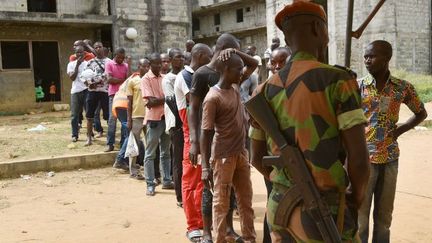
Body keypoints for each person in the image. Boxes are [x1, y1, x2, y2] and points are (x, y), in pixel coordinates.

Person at [249, 1, 370, 242]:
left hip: (280, 209)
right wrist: (355, 198)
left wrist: (287, 181)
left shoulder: (262, 91)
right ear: (318, 28)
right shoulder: (337, 80)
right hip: (326, 210)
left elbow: (255, 157)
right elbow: (358, 158)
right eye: (325, 30)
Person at [189, 33, 258, 243]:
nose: (242, 73)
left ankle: (249, 238)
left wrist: (236, 52)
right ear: (227, 70)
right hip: (222, 157)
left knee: (245, 201)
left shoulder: (235, 87)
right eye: (238, 69)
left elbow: (253, 64)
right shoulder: (213, 97)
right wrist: (206, 167)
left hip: (240, 154)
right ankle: (217, 238)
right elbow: (206, 131)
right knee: (221, 203)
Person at [358, 40, 427, 243]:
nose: (367, 60)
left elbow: (421, 113)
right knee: (360, 218)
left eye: (371, 56)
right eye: (365, 56)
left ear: (386, 58)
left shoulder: (402, 88)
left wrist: (400, 131)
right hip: (363, 160)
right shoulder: (357, 86)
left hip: (389, 158)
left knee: (384, 217)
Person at [174, 43, 212, 242]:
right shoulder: (185, 77)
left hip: (203, 133)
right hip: (193, 135)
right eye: (209, 56)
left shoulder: (202, 75)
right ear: (200, 55)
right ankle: (192, 224)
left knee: (202, 181)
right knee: (190, 181)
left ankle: (202, 220)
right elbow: (194, 107)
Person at [141, 53, 174, 196]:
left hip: (166, 118)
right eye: (156, 63)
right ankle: (150, 183)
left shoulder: (165, 78)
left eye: (160, 63)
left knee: (166, 152)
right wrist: (166, 98)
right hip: (154, 120)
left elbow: (158, 100)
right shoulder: (145, 79)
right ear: (150, 65)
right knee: (150, 153)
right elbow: (150, 102)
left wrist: (161, 100)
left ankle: (166, 180)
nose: (159, 66)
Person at [113, 58, 150, 179]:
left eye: (148, 66)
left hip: (150, 117)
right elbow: (129, 102)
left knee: (149, 144)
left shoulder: (151, 80)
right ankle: (133, 171)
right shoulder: (133, 81)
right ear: (139, 67)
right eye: (144, 66)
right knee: (133, 144)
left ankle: (150, 171)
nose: (147, 68)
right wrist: (129, 119)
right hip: (136, 116)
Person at [162, 48, 185, 206]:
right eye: (177, 57)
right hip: (177, 123)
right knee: (178, 160)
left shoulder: (184, 75)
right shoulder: (168, 79)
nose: (181, 59)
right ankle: (180, 196)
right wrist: (184, 121)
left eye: (182, 57)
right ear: (170, 60)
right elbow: (172, 102)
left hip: (186, 122)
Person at [80, 42, 110, 146]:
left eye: (99, 47)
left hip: (105, 92)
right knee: (89, 116)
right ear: (94, 49)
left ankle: (110, 139)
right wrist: (89, 84)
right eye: (96, 47)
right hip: (92, 92)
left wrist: (99, 81)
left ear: (103, 48)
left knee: (108, 117)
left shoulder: (109, 62)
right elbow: (83, 76)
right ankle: (89, 138)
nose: (98, 49)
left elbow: (110, 76)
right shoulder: (90, 62)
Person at [105, 47, 129, 152]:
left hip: (124, 96)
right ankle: (110, 144)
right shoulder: (109, 64)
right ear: (115, 55)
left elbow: (129, 79)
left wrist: (129, 64)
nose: (121, 60)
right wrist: (123, 81)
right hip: (113, 95)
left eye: (123, 58)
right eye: (119, 57)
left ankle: (123, 142)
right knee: (112, 119)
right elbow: (110, 80)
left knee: (125, 121)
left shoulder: (126, 65)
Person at [67, 46, 88, 142]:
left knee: (88, 114)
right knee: (74, 115)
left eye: (81, 52)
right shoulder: (71, 64)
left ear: (84, 53)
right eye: (77, 53)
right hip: (75, 91)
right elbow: (72, 78)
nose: (80, 54)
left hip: (86, 91)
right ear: (75, 54)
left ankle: (89, 133)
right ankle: (74, 135)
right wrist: (77, 65)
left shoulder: (88, 64)